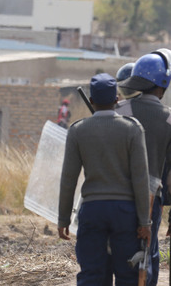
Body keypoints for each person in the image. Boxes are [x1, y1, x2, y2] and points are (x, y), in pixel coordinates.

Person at [57, 73, 151, 285]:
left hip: (92, 211)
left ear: (91, 101)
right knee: (127, 275)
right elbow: (140, 178)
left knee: (92, 275)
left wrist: (63, 219)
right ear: (117, 99)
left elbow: (68, 179)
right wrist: (145, 221)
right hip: (124, 213)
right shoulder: (132, 128)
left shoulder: (77, 131)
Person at [118, 49, 171, 286]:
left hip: (118, 197)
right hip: (150, 201)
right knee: (149, 252)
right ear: (163, 84)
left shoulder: (120, 111)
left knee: (120, 252)